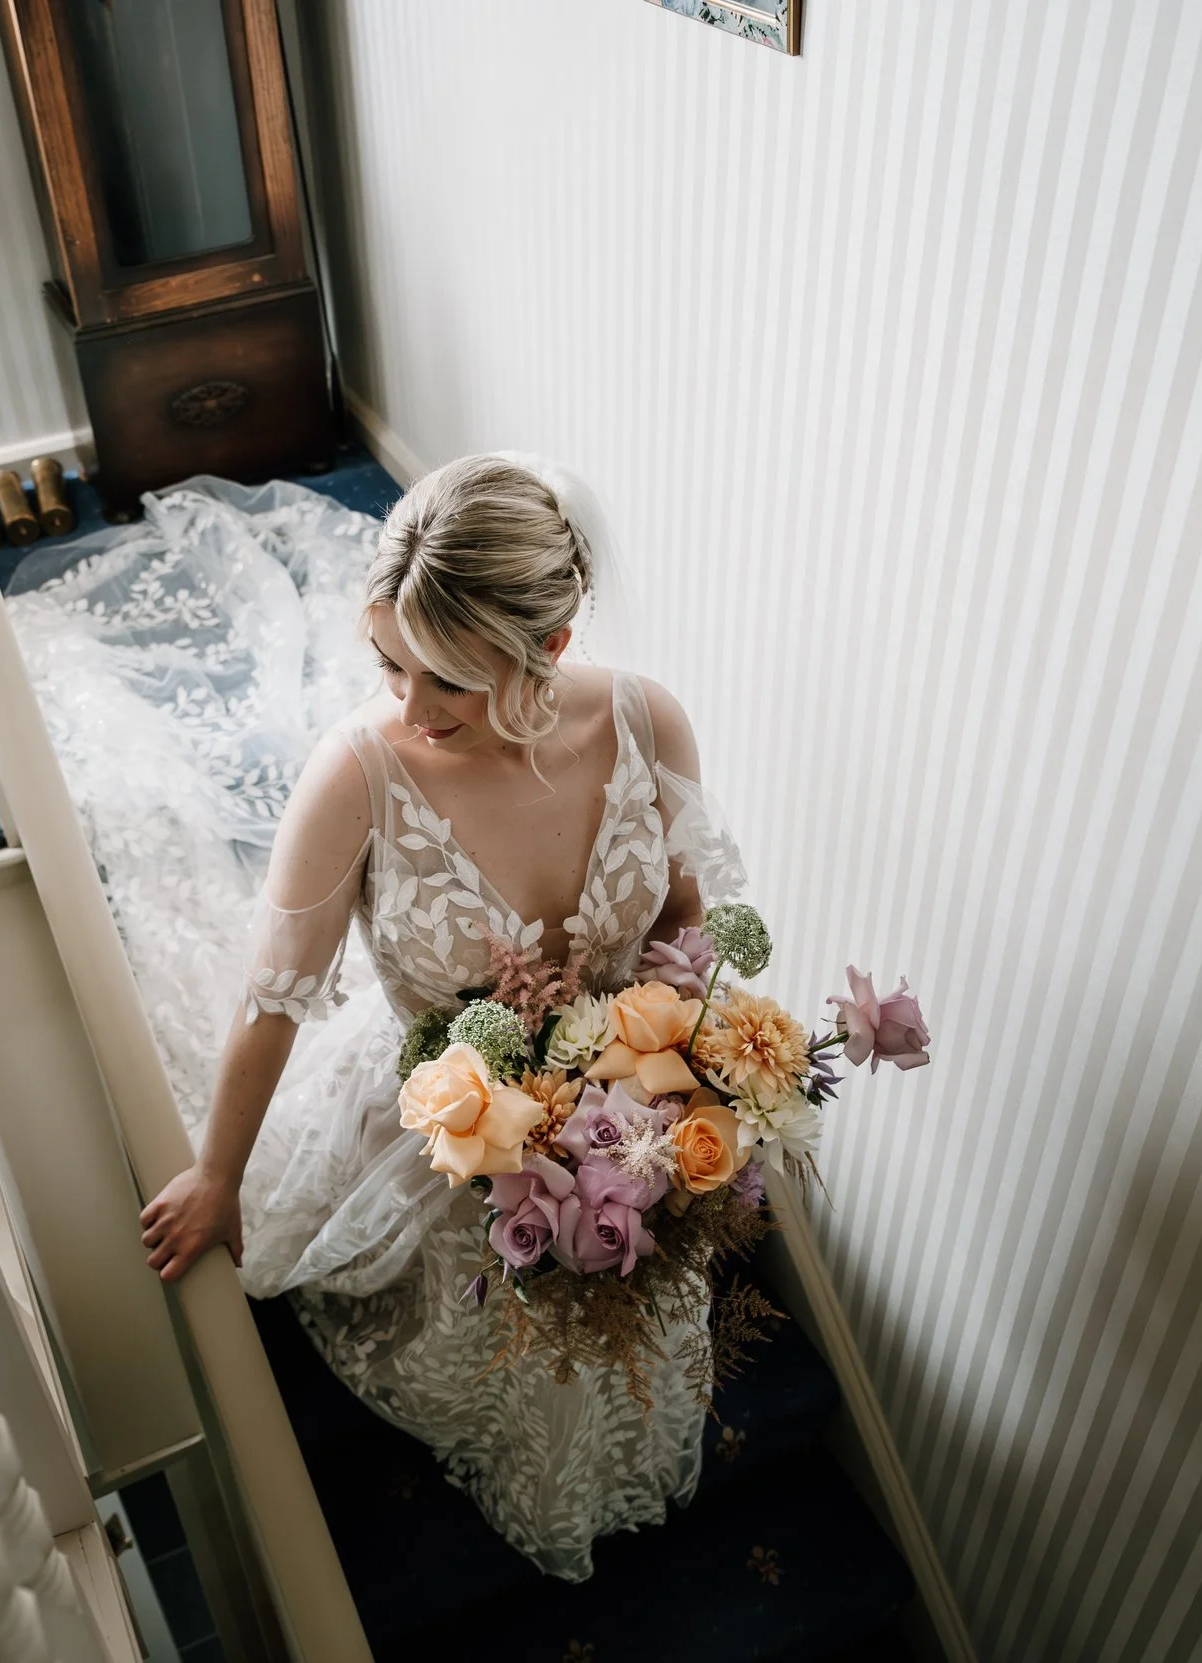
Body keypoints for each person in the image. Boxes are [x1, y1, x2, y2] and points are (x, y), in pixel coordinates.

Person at [131, 454, 746, 1580]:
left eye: (447, 683)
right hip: (443, 1113)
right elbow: (273, 1001)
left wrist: (677, 1080)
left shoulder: (647, 722)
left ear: (547, 651)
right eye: (388, 666)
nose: (407, 709)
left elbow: (685, 919)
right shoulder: (355, 774)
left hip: (622, 1106)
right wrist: (218, 1172)